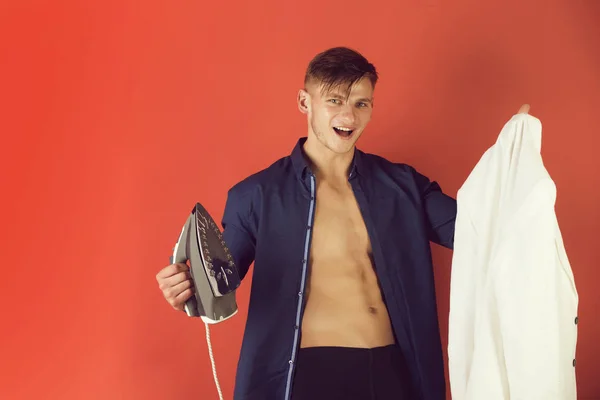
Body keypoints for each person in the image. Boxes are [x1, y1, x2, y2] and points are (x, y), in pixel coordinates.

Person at [156, 46, 530, 400]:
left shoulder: (403, 186)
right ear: (306, 102)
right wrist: (186, 288)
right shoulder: (256, 194)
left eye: (361, 103)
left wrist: (513, 157)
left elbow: (476, 231)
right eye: (334, 100)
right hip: (310, 373)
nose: (348, 116)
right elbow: (222, 279)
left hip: (392, 370)